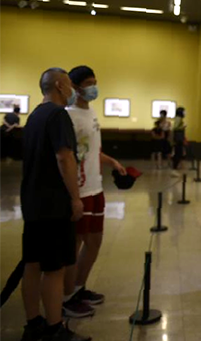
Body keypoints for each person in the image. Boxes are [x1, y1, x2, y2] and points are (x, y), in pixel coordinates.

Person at [20, 68, 90, 341]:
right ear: (60, 85)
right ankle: (54, 328)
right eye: (70, 84)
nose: (72, 89)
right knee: (54, 268)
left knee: (32, 264)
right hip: (53, 204)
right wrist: (75, 197)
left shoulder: (35, 116)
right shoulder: (58, 115)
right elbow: (64, 158)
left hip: (32, 202)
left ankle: (33, 323)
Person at [62, 66, 126, 318]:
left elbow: (91, 151)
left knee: (95, 241)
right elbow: (66, 157)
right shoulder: (68, 116)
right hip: (80, 189)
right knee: (75, 243)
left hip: (96, 187)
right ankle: (66, 298)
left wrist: (113, 162)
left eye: (95, 82)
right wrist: (73, 196)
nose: (93, 88)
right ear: (75, 87)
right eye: (88, 83)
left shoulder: (91, 113)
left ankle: (79, 288)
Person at [171, 106, 186, 175]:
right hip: (178, 139)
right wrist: (183, 127)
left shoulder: (178, 118)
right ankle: (174, 167)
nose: (185, 113)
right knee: (178, 152)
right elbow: (175, 127)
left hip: (178, 138)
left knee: (178, 152)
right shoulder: (178, 118)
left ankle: (175, 166)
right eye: (184, 111)